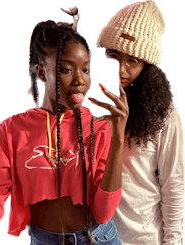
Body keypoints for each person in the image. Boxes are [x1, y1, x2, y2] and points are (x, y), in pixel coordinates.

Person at [0, 6, 129, 245]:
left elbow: (104, 213)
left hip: (99, 238)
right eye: (67, 69)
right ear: (41, 73)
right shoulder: (12, 130)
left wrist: (118, 140)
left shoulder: (99, 128)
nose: (81, 80)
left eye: (85, 70)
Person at [94, 0, 184, 244]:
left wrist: (173, 241)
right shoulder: (87, 106)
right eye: (114, 57)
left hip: (142, 237)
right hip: (91, 236)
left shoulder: (164, 113)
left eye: (132, 60)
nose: (121, 69)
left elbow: (173, 184)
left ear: (146, 65)